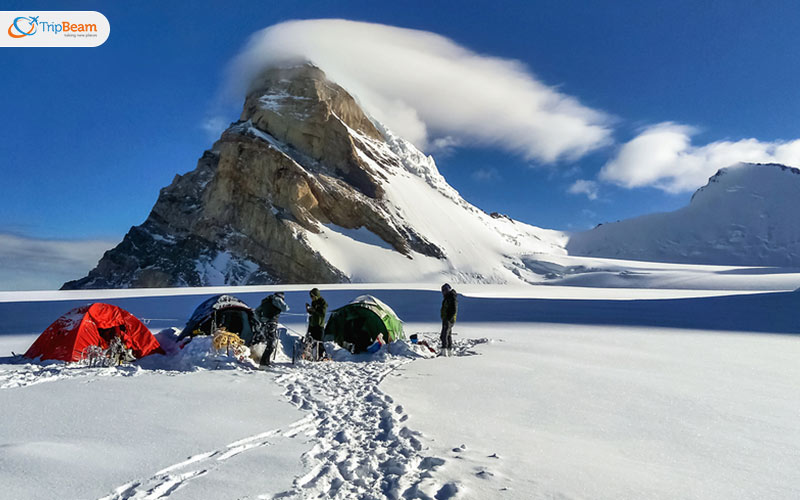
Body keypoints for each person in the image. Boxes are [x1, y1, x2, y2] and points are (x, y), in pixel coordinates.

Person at [254, 291, 289, 368]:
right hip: (271, 323)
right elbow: (285, 308)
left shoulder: (266, 300)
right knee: (271, 344)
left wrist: (261, 319)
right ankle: (263, 363)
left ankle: (266, 362)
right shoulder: (277, 299)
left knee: (269, 343)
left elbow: (256, 311)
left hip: (264, 324)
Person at [306, 288, 327, 360]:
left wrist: (314, 310)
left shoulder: (323, 303)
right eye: (310, 296)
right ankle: (310, 355)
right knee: (310, 340)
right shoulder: (313, 303)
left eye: (312, 296)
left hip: (319, 325)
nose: (311, 298)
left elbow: (322, 313)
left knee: (319, 342)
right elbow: (313, 313)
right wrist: (309, 310)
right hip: (312, 324)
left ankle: (323, 356)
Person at [440, 283, 458, 352]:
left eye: (444, 291)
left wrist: (448, 318)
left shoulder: (451, 298)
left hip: (448, 319)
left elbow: (454, 309)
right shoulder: (448, 297)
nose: (443, 292)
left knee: (444, 335)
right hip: (447, 319)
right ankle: (449, 349)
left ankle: (444, 350)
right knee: (448, 335)